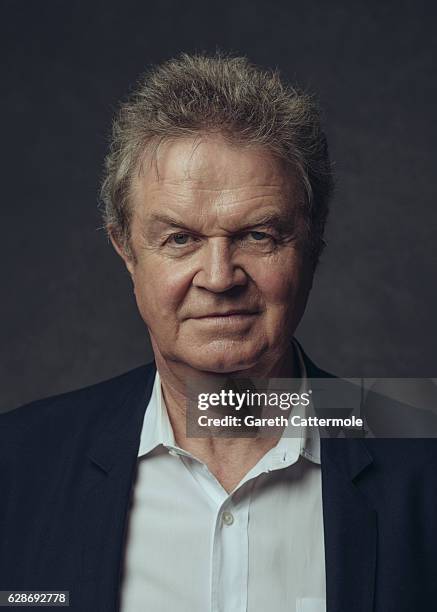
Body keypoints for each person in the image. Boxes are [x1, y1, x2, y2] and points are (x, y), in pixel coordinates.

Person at [1, 53, 436, 612]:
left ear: (313, 242)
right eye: (180, 238)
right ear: (125, 249)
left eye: (258, 235)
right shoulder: (17, 466)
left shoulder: (421, 456)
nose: (218, 278)